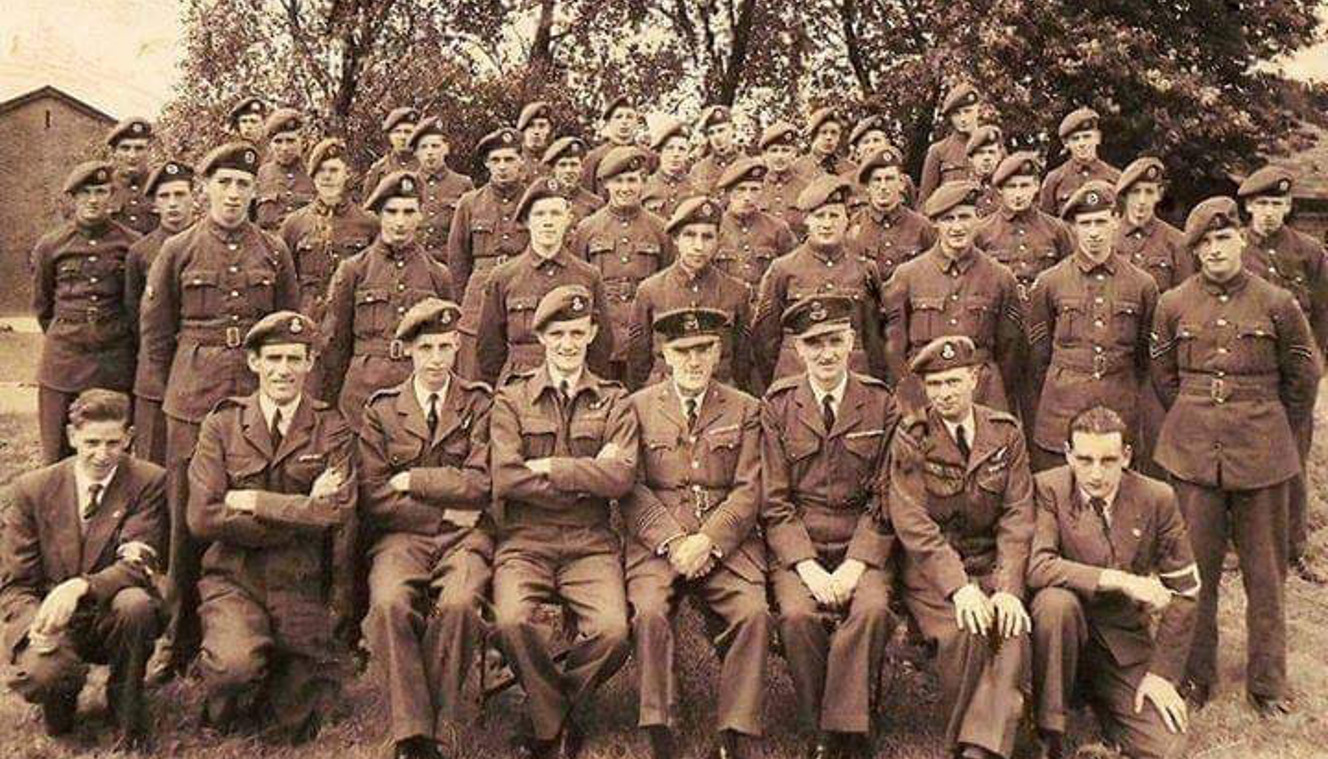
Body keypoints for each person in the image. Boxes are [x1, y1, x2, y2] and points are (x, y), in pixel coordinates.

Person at [1150, 197, 1321, 717]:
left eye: (1223, 239)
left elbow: (1303, 377)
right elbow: (1165, 379)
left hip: (1263, 454)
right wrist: (1197, 418)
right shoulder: (1173, 304)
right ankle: (1193, 676)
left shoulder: (1277, 303)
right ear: (1195, 250)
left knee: (1265, 574)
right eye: (1204, 243)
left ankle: (1268, 685)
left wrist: (1271, 428)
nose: (1215, 250)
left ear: (1240, 239)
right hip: (1194, 454)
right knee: (1192, 571)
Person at [138, 142, 301, 679]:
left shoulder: (273, 249)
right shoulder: (178, 250)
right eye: (224, 183)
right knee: (189, 518)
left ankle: (264, 629)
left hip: (256, 394)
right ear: (206, 188)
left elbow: (287, 322)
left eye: (243, 185)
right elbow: (156, 334)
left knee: (258, 505)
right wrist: (169, 399)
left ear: (255, 192)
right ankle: (178, 638)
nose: (233, 195)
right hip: (194, 394)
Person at [188, 311, 356, 743]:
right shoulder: (222, 425)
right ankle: (224, 694)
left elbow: (335, 512)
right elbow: (202, 516)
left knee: (296, 720)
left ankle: (276, 669)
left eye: (294, 359)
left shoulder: (331, 427)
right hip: (234, 575)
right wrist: (301, 511)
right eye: (274, 358)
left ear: (309, 364)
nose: (284, 370)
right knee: (234, 668)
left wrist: (253, 501)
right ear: (254, 363)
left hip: (299, 578)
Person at [489, 285, 636, 759]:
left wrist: (552, 468)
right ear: (542, 338)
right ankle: (558, 720)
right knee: (511, 622)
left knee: (613, 633)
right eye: (558, 334)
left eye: (577, 332)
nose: (568, 343)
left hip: (590, 543)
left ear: (593, 333)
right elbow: (506, 479)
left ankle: (544, 710)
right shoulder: (511, 399)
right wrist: (589, 473)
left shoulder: (615, 400)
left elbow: (621, 478)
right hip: (524, 540)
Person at [622, 307, 770, 759]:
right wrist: (672, 542)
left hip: (725, 543)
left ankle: (735, 728)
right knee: (648, 611)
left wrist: (709, 540)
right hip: (658, 543)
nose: (693, 360)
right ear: (665, 353)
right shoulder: (638, 407)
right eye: (683, 350)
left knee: (753, 613)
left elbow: (751, 488)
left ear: (718, 351)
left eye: (703, 349)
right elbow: (630, 487)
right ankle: (660, 723)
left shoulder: (745, 408)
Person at [761, 295, 898, 759]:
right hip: (800, 545)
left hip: (862, 542)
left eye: (834, 341)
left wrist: (855, 566)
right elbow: (774, 502)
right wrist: (809, 569)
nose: (825, 353)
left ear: (851, 342)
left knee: (872, 610)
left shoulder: (880, 403)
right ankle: (823, 725)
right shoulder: (778, 406)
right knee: (798, 617)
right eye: (814, 343)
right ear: (798, 349)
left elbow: (886, 497)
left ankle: (843, 732)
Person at [359, 299, 494, 759]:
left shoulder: (478, 403)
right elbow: (375, 496)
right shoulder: (380, 411)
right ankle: (416, 733)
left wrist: (413, 479)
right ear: (408, 352)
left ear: (458, 346)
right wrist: (443, 512)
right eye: (426, 348)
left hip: (466, 539)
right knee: (389, 604)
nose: (437, 359)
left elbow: (481, 483)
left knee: (459, 605)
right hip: (403, 538)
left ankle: (424, 730)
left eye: (445, 347)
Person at [888, 335, 1034, 759]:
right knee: (964, 631)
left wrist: (1006, 587)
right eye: (934, 386)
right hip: (933, 572)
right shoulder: (912, 437)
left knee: (1011, 626)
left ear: (975, 378)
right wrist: (959, 587)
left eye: (953, 382)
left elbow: (1017, 514)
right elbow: (913, 524)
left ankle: (977, 750)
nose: (944, 394)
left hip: (990, 562)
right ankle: (986, 738)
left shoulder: (1005, 433)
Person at [1028, 406, 1200, 759]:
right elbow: (1039, 565)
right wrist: (1120, 580)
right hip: (1058, 639)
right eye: (1084, 459)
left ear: (1126, 456)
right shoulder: (1048, 489)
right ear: (1067, 454)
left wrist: (1162, 674)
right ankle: (1050, 732)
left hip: (1120, 641)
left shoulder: (1156, 498)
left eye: (1107, 461)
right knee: (1055, 604)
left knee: (1167, 748)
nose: (1095, 474)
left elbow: (1185, 591)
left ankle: (1109, 706)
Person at [1, 389, 165, 751]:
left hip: (110, 613)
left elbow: (139, 565)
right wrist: (37, 626)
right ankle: (59, 702)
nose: (102, 454)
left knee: (136, 604)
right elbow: (16, 584)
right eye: (91, 442)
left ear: (129, 438)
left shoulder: (148, 481)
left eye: (113, 443)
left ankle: (127, 709)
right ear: (72, 436)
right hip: (52, 617)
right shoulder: (32, 489)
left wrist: (80, 586)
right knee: (47, 676)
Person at [1236, 165, 1328, 583]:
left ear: (1288, 206)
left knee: (1292, 455)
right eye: (1261, 204)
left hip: (1295, 373)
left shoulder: (1309, 252)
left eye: (1276, 203)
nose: (1269, 212)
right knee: (1243, 456)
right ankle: (1241, 544)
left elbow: (1323, 315)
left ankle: (1295, 547)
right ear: (1249, 207)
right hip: (1250, 368)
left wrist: (1315, 362)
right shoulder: (1234, 248)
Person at [1025, 181, 1157, 472]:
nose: (1094, 232)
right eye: (1085, 223)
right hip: (1063, 408)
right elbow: (1038, 357)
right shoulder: (1050, 282)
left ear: (1115, 221)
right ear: (1074, 228)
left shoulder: (1142, 284)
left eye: (1101, 221)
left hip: (1118, 403)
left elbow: (1145, 357)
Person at [318, 171, 454, 431]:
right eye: (391, 212)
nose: (400, 221)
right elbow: (335, 345)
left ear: (421, 214)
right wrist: (330, 406)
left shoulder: (438, 275)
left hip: (415, 388)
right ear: (379, 215)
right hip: (362, 393)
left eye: (408, 212)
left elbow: (445, 342)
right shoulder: (353, 271)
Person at [32, 160, 139, 463]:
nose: (94, 199)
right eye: (86, 192)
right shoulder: (51, 246)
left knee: (113, 449)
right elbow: (43, 307)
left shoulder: (131, 244)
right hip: (64, 361)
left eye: (101, 191)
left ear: (112, 196)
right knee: (56, 450)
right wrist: (70, 333)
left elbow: (134, 306)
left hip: (114, 361)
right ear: (74, 198)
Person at [884, 181, 1022, 414]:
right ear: (936, 224)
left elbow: (1010, 350)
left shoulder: (1000, 277)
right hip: (925, 391)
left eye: (964, 217)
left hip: (982, 394)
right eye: (949, 219)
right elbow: (894, 348)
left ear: (977, 219)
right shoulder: (908, 275)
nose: (957, 227)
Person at [474, 177, 614, 386]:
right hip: (520, 383)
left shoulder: (588, 276)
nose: (548, 221)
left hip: (574, 382)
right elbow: (489, 347)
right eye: (540, 214)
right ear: (527, 221)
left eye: (555, 213)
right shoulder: (503, 276)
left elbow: (601, 344)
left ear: (568, 218)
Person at [751, 176, 887, 387]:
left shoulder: (865, 270)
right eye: (819, 216)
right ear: (807, 220)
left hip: (852, 378)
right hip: (796, 378)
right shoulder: (783, 269)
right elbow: (766, 339)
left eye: (834, 215)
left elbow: (874, 339)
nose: (826, 224)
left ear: (847, 220)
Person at [1113, 157, 1191, 480]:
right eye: (1135, 192)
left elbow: (1187, 301)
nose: (1142, 201)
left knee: (1156, 441)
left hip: (1159, 357)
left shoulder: (1176, 242)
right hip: (1118, 355)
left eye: (1149, 191)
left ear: (1159, 195)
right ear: (1124, 196)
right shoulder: (1108, 237)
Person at [568, 146, 674, 380]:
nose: (625, 188)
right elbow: (578, 284)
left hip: (645, 336)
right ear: (606, 184)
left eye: (631, 180)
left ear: (643, 182)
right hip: (602, 339)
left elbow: (667, 283)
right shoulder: (588, 228)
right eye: (618, 181)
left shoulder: (660, 229)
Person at [628, 196, 753, 391]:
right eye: (690, 235)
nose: (698, 246)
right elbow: (638, 360)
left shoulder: (736, 292)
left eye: (707, 237)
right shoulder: (650, 290)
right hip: (663, 394)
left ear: (718, 239)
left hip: (720, 394)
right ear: (676, 239)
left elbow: (742, 360)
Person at [127, 159, 197, 466]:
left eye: (180, 195)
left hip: (197, 372)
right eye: (165, 196)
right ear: (154, 204)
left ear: (194, 197)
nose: (173, 204)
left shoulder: (203, 242)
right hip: (154, 377)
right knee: (151, 465)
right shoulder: (140, 252)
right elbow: (132, 316)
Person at [279, 137, 379, 322]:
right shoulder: (294, 224)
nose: (327, 177)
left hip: (353, 319)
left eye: (334, 170)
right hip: (308, 320)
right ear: (313, 176)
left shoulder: (369, 223)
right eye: (321, 171)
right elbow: (283, 281)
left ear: (346, 174)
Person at [846, 146, 936, 285]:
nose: (883, 186)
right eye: (877, 180)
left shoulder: (922, 226)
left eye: (889, 179)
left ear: (901, 184)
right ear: (868, 187)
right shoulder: (854, 225)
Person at [712, 158, 797, 303]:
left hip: (766, 308)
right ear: (728, 193)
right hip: (725, 308)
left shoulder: (778, 228)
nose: (747, 197)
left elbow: (793, 273)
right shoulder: (713, 228)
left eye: (754, 190)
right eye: (741, 190)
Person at [408, 116, 476, 256]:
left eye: (435, 146)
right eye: (424, 147)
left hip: (449, 262)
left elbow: (471, 231)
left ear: (446, 148)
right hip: (414, 262)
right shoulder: (407, 184)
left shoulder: (463, 184)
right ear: (416, 153)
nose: (430, 152)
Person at [1039, 107, 1120, 216]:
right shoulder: (1054, 180)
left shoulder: (1115, 177)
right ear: (1066, 144)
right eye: (1075, 139)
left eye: (1087, 137)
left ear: (1098, 138)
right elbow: (1047, 223)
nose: (1082, 143)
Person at [918, 83, 983, 206]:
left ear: (977, 109)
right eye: (957, 114)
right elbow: (925, 201)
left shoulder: (993, 147)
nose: (963, 119)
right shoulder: (938, 151)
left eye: (967, 111)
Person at [254, 107, 314, 231]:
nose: (284, 148)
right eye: (278, 141)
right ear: (270, 145)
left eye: (290, 141)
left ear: (302, 142)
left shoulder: (315, 174)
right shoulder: (259, 175)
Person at [581, 96, 647, 197]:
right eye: (618, 117)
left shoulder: (649, 156)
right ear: (609, 123)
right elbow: (587, 196)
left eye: (629, 117)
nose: (624, 122)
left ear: (637, 122)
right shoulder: (594, 158)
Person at [757, 120, 811, 238]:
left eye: (785, 150)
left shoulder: (807, 188)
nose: (779, 156)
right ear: (764, 155)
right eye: (774, 150)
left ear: (794, 154)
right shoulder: (754, 187)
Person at [105, 117, 158, 235]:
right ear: (114, 152)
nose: (132, 155)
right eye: (125, 148)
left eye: (139, 148)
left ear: (149, 151)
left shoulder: (161, 186)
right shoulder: (103, 187)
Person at [643, 117, 701, 220]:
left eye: (681, 149)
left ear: (688, 154)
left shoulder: (695, 188)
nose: (675, 154)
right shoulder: (645, 187)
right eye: (670, 148)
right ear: (660, 152)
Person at [541, 136, 605, 226]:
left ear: (581, 169)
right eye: (563, 165)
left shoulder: (595, 203)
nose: (568, 170)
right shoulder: (542, 200)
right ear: (553, 169)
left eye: (574, 165)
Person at [362, 106, 422, 199]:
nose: (402, 137)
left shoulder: (428, 168)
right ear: (390, 136)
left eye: (408, 132)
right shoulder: (379, 170)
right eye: (397, 132)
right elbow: (367, 208)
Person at [689, 106, 744, 194]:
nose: (717, 137)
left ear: (733, 129)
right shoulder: (698, 170)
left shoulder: (748, 164)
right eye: (711, 133)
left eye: (721, 130)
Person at [791, 107, 851, 180]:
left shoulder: (849, 168)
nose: (829, 138)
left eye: (834, 133)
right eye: (823, 132)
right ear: (814, 137)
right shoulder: (798, 167)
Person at [518, 100, 554, 178]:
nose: (536, 132)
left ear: (549, 130)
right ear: (523, 130)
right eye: (531, 126)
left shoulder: (556, 161)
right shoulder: (514, 160)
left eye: (542, 126)